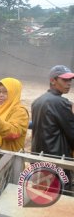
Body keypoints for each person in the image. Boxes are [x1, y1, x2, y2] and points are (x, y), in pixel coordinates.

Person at [31, 65, 74, 194]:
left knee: (41, 200)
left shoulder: (37, 102)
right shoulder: (61, 103)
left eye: (70, 80)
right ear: (53, 80)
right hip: (57, 161)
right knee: (60, 202)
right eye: (64, 80)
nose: (69, 84)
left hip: (39, 159)